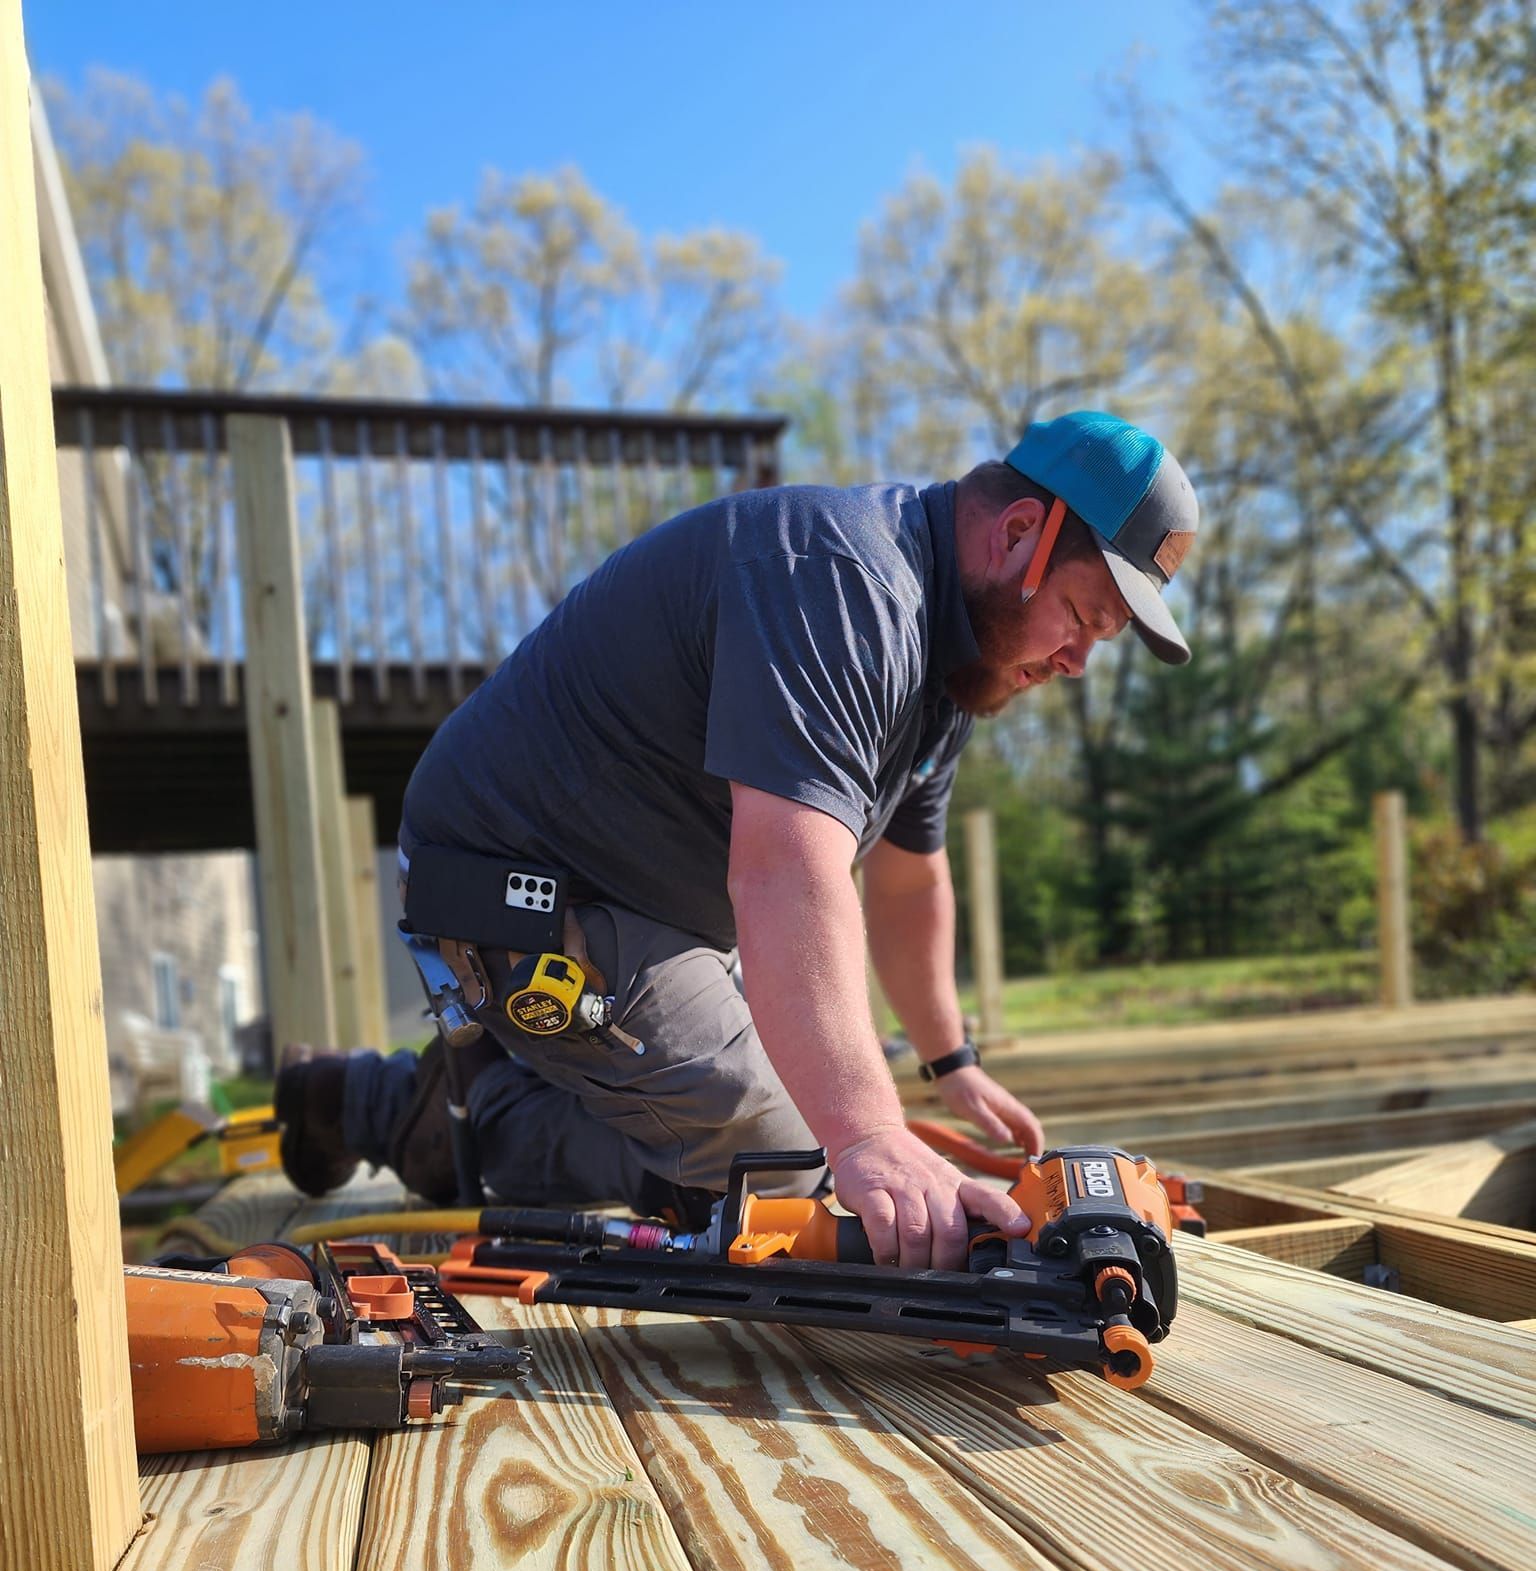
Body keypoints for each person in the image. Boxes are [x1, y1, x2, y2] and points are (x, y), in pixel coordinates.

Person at [277, 408, 1197, 1269]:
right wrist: (871, 1133)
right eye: (1083, 617)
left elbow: (911, 883)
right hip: (521, 890)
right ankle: (415, 1112)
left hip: (648, 912)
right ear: (1019, 534)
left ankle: (454, 1081)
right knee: (784, 1175)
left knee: (821, 1122)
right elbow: (787, 873)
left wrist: (948, 1062)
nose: (1077, 662)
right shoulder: (844, 583)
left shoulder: (955, 666)